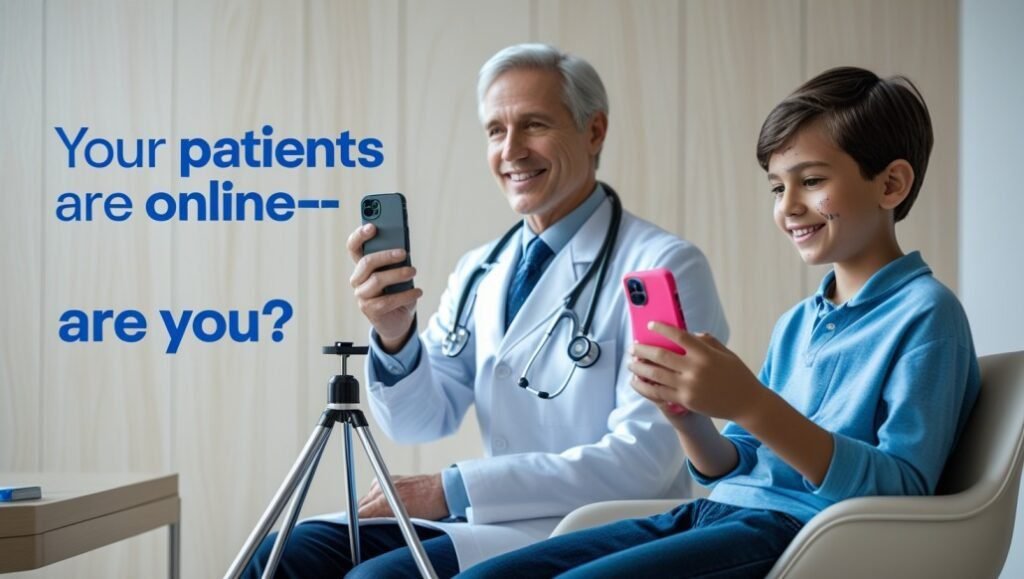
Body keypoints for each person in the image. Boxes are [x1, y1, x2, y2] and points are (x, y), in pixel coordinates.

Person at [457, 66, 981, 578]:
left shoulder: (927, 314)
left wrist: (751, 403)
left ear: (891, 184)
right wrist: (687, 417)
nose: (789, 207)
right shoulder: (798, 322)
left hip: (796, 536)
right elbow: (736, 465)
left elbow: (903, 494)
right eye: (777, 188)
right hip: (713, 513)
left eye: (812, 181)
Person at [242, 43, 728, 578]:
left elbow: (645, 461)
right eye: (495, 131)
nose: (511, 151)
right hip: (486, 517)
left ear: (594, 131)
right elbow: (419, 419)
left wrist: (452, 487)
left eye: (534, 125)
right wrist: (395, 332)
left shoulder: (664, 266)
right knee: (281, 554)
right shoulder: (482, 270)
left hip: (597, 525)